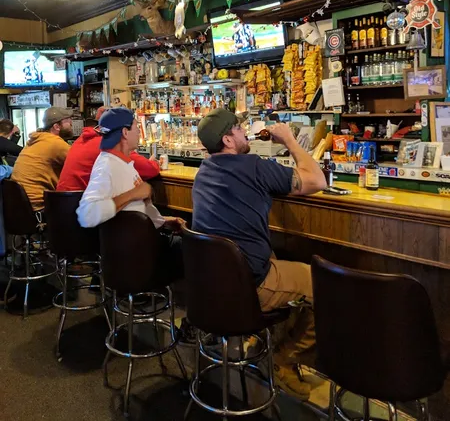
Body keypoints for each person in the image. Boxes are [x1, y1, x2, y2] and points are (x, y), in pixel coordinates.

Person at [192, 108, 327, 400]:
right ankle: (284, 360)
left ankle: (259, 339)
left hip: (210, 286)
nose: (244, 133)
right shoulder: (253, 166)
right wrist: (291, 141)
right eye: (239, 130)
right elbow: (318, 181)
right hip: (248, 285)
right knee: (324, 286)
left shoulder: (204, 171)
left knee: (276, 258)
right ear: (228, 140)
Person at [76, 108, 184, 285]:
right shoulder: (107, 166)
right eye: (136, 127)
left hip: (140, 242)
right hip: (135, 253)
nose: (139, 133)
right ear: (125, 133)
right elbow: (87, 214)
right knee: (196, 252)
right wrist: (133, 194)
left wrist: (163, 221)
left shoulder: (122, 162)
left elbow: (131, 212)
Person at [57, 106, 160, 192]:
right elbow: (149, 170)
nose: (137, 131)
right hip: (79, 207)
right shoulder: (108, 144)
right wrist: (154, 163)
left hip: (62, 205)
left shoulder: (82, 139)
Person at [11, 107, 73, 211]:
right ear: (56, 126)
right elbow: (79, 164)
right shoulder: (55, 143)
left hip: (20, 207)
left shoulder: (36, 140)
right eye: (67, 121)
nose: (71, 123)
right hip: (39, 207)